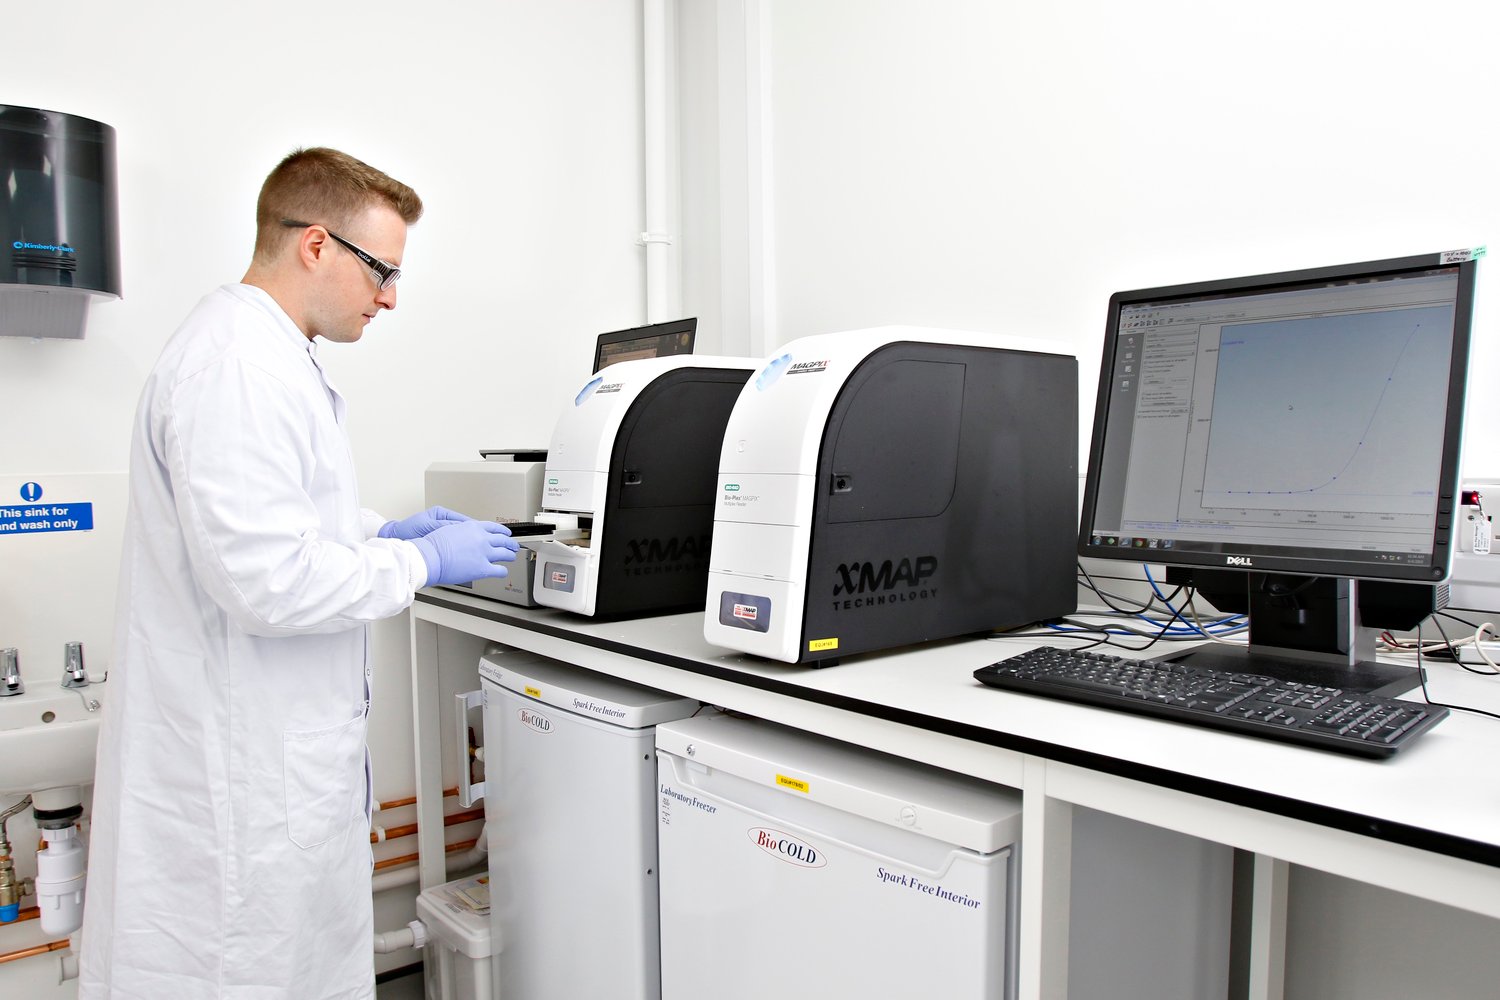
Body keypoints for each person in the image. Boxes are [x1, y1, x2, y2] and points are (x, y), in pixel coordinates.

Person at [78, 147, 518, 1000]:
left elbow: (283, 519)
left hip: (271, 772)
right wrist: (418, 561)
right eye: (382, 269)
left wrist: (379, 530)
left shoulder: (266, 356)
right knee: (244, 972)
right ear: (316, 245)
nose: (389, 296)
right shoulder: (237, 366)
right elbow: (266, 578)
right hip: (237, 789)